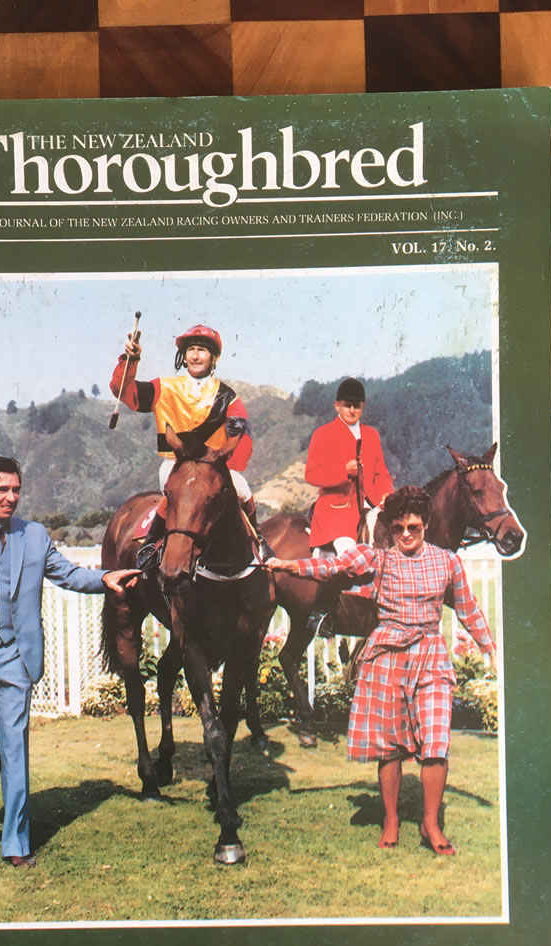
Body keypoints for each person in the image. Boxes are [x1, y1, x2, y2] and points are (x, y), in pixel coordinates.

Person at [0, 456, 139, 868]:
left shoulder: (33, 536)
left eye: (16, 489)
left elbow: (68, 574)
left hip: (16, 658)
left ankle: (16, 843)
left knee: (15, 751)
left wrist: (104, 578)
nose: (12, 497)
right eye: (3, 490)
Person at [265, 485, 496, 856]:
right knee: (389, 747)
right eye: (400, 527)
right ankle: (390, 819)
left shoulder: (447, 562)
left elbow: (467, 607)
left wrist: (487, 646)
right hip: (386, 655)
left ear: (426, 526)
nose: (406, 535)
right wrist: (289, 565)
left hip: (429, 655)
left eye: (414, 528)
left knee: (436, 742)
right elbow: (331, 567)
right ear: (390, 527)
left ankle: (430, 823)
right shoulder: (377, 558)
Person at [109, 323, 269, 566]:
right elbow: (125, 392)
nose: (195, 355)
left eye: (202, 350)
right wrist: (130, 360)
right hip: (175, 464)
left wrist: (226, 465)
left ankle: (257, 540)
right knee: (177, 495)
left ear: (214, 357)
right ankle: (152, 544)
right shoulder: (163, 387)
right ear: (183, 356)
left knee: (243, 489)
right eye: (191, 349)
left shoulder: (228, 396)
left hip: (213, 467)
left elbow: (240, 437)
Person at [304, 376, 393, 634]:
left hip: (370, 506)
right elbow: (312, 474)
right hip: (336, 510)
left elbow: (381, 473)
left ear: (363, 406)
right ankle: (320, 613)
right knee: (348, 554)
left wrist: (387, 493)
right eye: (347, 405)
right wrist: (343, 471)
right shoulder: (323, 434)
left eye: (356, 405)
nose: (352, 410)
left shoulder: (372, 435)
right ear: (337, 406)